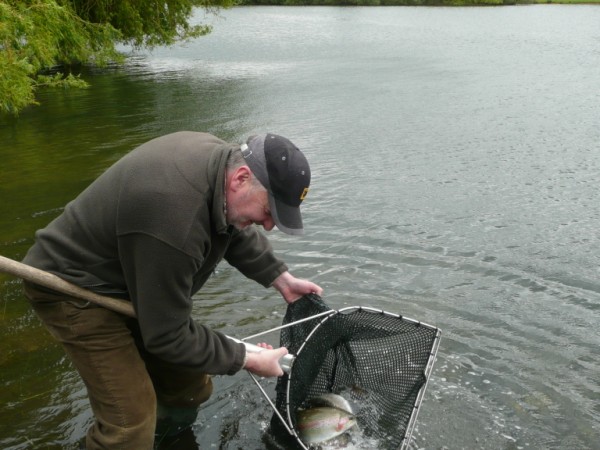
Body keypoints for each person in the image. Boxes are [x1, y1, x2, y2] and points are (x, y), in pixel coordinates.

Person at [22, 131, 323, 449]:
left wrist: (279, 277)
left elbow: (232, 225)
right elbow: (167, 335)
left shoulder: (223, 167)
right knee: (130, 425)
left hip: (138, 275)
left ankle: (169, 439)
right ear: (241, 178)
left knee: (189, 388)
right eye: (268, 211)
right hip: (75, 289)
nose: (268, 225)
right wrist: (246, 359)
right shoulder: (174, 219)